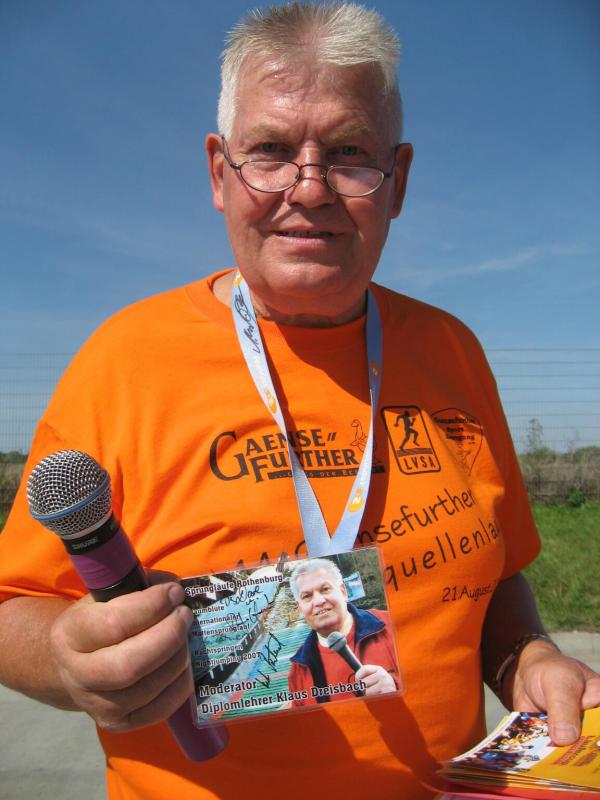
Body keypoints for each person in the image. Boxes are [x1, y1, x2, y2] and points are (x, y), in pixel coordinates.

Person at [0, 3, 598, 799]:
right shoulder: (124, 359)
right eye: (271, 151)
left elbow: (496, 577)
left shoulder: (452, 350)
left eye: (349, 153)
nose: (308, 188)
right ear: (219, 173)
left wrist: (527, 655)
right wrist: (65, 660)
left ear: (398, 180)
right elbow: (13, 605)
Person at [287, 558, 399, 705]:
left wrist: (396, 686)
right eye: (307, 596)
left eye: (325, 589)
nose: (319, 601)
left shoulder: (391, 625)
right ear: (300, 608)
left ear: (343, 592)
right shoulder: (298, 670)